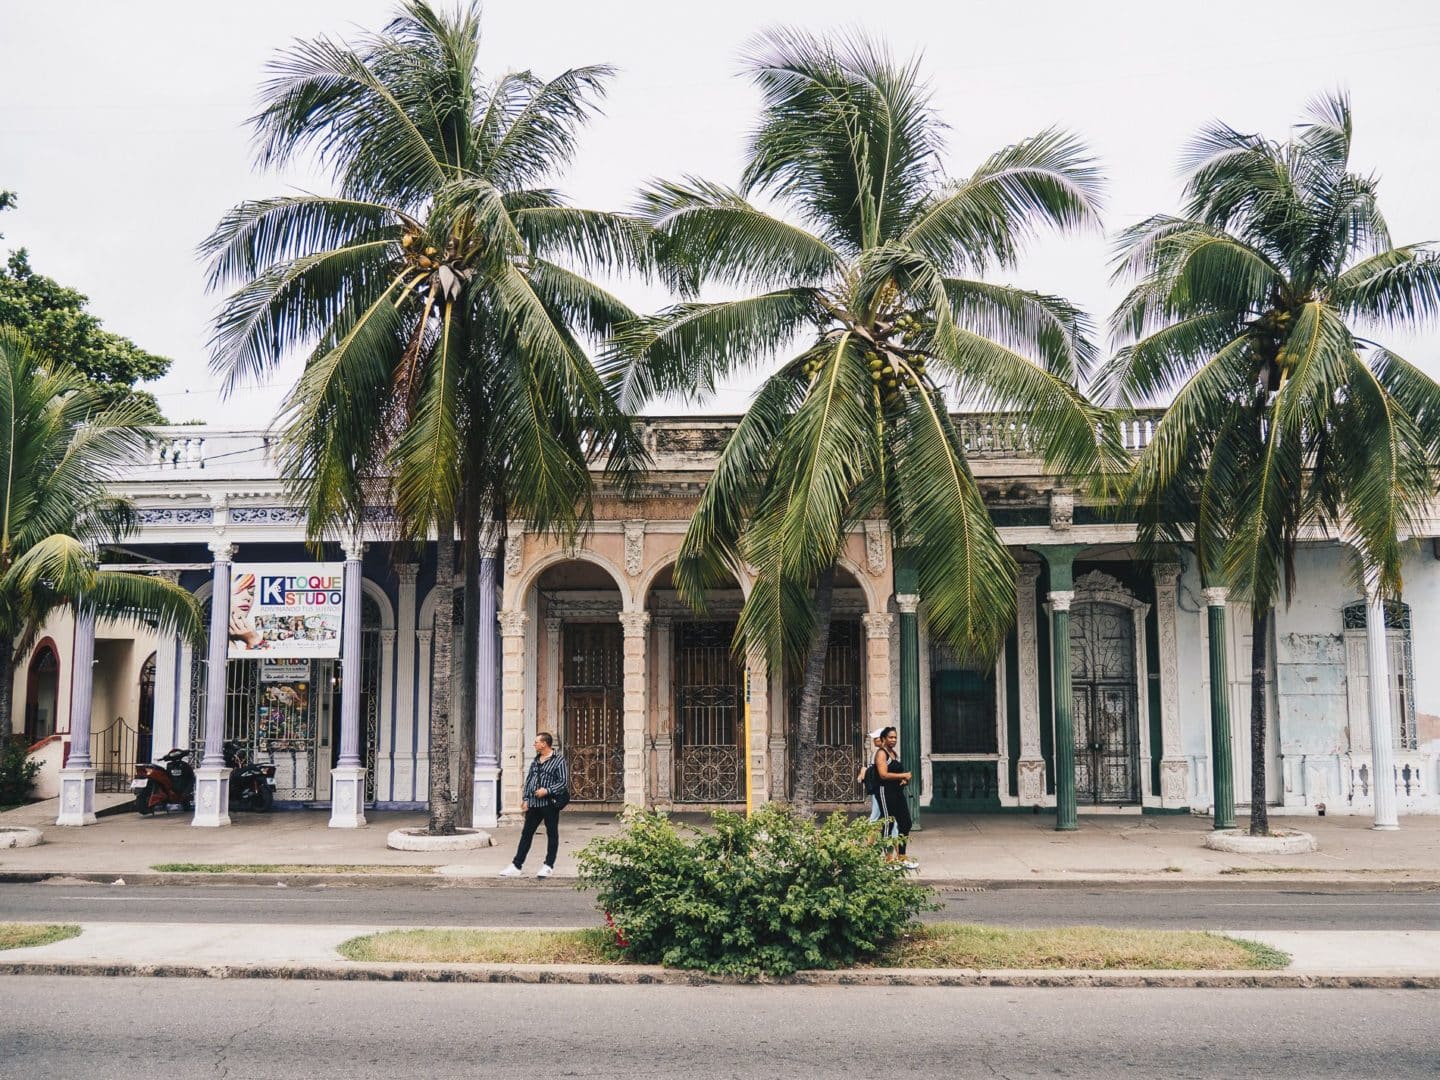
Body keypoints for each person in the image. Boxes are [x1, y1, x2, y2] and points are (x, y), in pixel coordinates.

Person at [500, 732, 569, 879]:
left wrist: (547, 790)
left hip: (549, 804)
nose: (534, 744)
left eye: (537, 742)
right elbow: (529, 780)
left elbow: (563, 783)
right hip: (534, 804)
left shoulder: (559, 760)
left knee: (552, 834)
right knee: (526, 834)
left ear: (544, 743)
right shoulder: (535, 761)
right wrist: (526, 799)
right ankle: (516, 865)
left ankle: (548, 866)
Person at [873, 726, 917, 870]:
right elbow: (883, 775)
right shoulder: (881, 753)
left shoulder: (893, 753)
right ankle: (888, 859)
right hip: (885, 793)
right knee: (888, 824)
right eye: (891, 737)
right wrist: (903, 775)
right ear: (884, 739)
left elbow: (894, 772)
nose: (893, 740)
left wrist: (903, 780)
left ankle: (902, 857)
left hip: (897, 792)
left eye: (895, 737)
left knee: (906, 823)